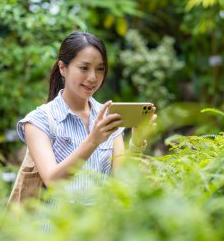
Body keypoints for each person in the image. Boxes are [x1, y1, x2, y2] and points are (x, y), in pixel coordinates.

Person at [17, 31, 157, 203]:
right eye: (84, 68)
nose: (93, 78)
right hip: (56, 228)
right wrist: (93, 141)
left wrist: (137, 141)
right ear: (63, 68)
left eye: (100, 69)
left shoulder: (108, 116)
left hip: (100, 228)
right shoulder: (39, 121)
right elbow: (52, 181)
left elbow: (121, 181)